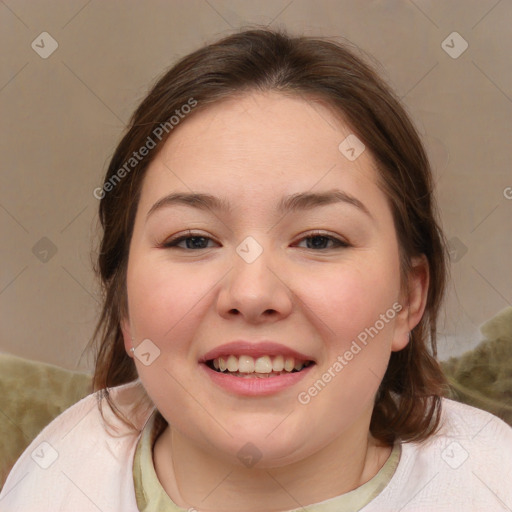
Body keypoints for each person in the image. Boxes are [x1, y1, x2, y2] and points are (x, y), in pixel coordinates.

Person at [1, 27, 511, 512]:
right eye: (194, 239)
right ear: (125, 305)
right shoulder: (54, 480)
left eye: (318, 239)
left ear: (408, 298)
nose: (251, 292)